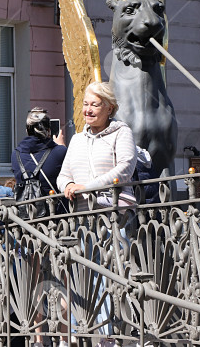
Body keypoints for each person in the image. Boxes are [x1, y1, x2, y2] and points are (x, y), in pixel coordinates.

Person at [57, 82, 136, 347]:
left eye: (95, 104)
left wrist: (87, 187)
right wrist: (67, 186)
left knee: (112, 276)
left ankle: (112, 336)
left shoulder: (121, 132)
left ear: (109, 108)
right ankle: (92, 332)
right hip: (82, 219)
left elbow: (125, 168)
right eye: (86, 104)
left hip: (113, 214)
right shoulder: (77, 139)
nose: (88, 110)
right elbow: (64, 174)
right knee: (86, 277)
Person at [12, 107, 67, 204]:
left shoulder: (15, 154)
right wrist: (61, 146)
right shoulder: (60, 151)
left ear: (27, 131)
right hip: (54, 213)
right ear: (49, 130)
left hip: (27, 213)